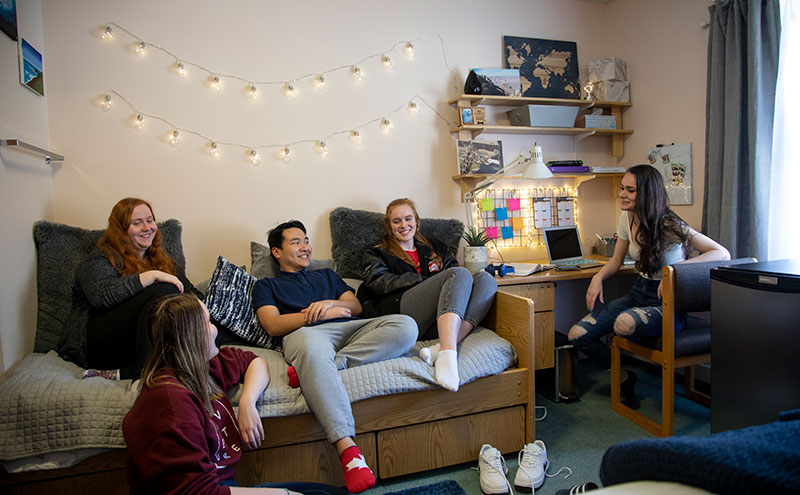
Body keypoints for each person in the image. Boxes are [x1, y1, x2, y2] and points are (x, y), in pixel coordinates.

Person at [252, 220, 417, 494]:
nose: (305, 247)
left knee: (405, 326)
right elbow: (273, 325)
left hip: (348, 330)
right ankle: (348, 451)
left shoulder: (326, 275)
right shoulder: (265, 286)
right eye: (296, 242)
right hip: (305, 333)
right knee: (310, 347)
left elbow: (354, 305)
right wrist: (313, 315)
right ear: (276, 252)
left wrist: (331, 304)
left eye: (305, 241)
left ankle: (331, 364)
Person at [122, 293, 347, 495]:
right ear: (191, 337)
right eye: (207, 322)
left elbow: (253, 361)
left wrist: (248, 402)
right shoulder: (169, 403)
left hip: (226, 486)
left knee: (329, 493)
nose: (215, 330)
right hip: (215, 491)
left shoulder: (202, 367)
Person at [567, 165, 730, 408]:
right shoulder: (627, 217)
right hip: (638, 292)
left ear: (647, 194)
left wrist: (671, 273)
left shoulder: (670, 225)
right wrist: (597, 278)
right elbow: (616, 261)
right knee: (578, 336)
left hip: (669, 304)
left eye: (630, 190)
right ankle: (624, 378)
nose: (622, 194)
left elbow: (721, 253)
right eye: (622, 188)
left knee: (624, 324)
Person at [357, 198, 497, 392]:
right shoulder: (376, 253)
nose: (404, 225)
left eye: (408, 219)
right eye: (396, 221)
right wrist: (425, 281)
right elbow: (377, 283)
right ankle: (448, 355)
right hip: (404, 311)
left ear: (417, 221)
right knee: (460, 273)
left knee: (486, 280)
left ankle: (441, 347)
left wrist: (442, 282)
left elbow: (456, 276)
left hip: (440, 319)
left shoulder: (435, 247)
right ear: (389, 226)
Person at [61, 197, 198, 380]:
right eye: (137, 223)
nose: (147, 227)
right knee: (164, 290)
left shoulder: (160, 259)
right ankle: (142, 376)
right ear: (121, 229)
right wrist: (150, 276)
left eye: (150, 220)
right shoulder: (101, 258)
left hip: (137, 346)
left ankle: (127, 372)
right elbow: (100, 295)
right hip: (98, 342)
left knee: (205, 326)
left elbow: (190, 293)